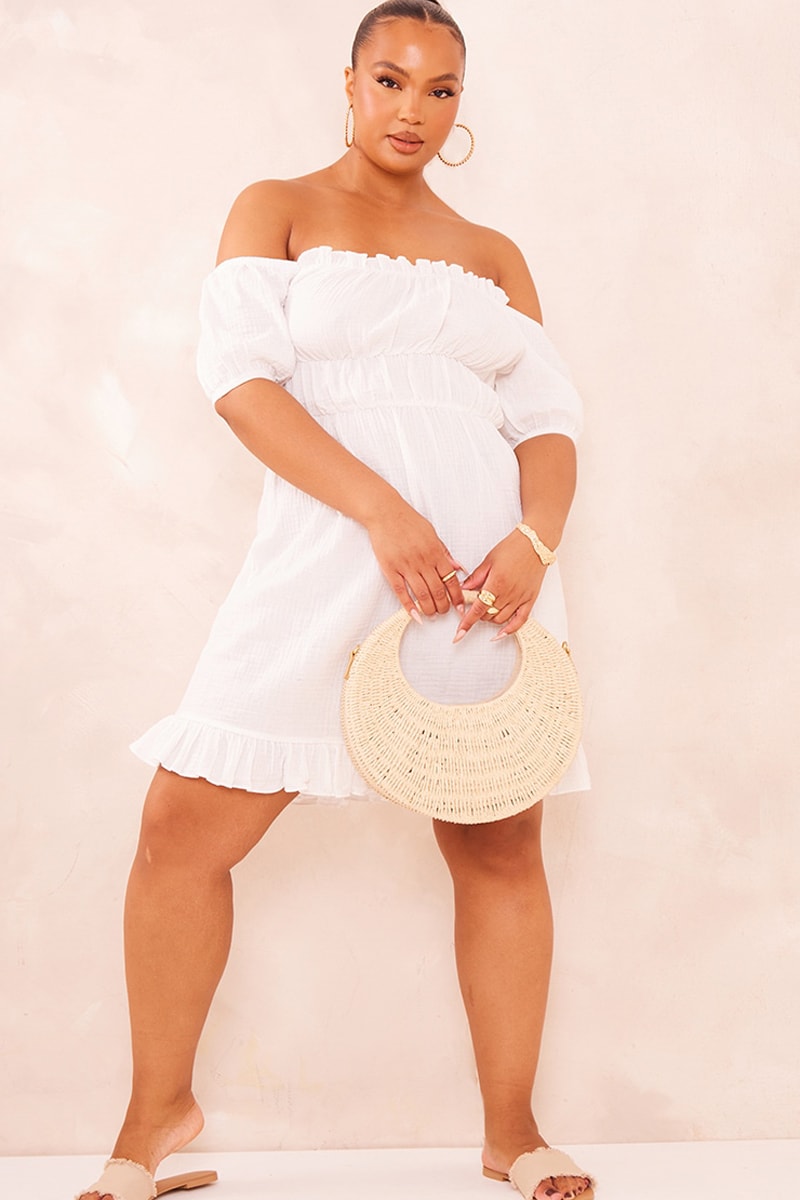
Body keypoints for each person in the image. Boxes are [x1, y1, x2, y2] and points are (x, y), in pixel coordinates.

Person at [77, 3, 595, 1199]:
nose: (413, 110)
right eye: (390, 80)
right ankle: (152, 1124)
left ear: (461, 105)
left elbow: (548, 421)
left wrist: (533, 540)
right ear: (349, 82)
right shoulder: (277, 207)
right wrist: (378, 510)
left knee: (499, 840)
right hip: (326, 551)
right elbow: (239, 381)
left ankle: (513, 1134)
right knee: (179, 830)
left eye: (440, 89)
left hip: (479, 585)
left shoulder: (492, 254)